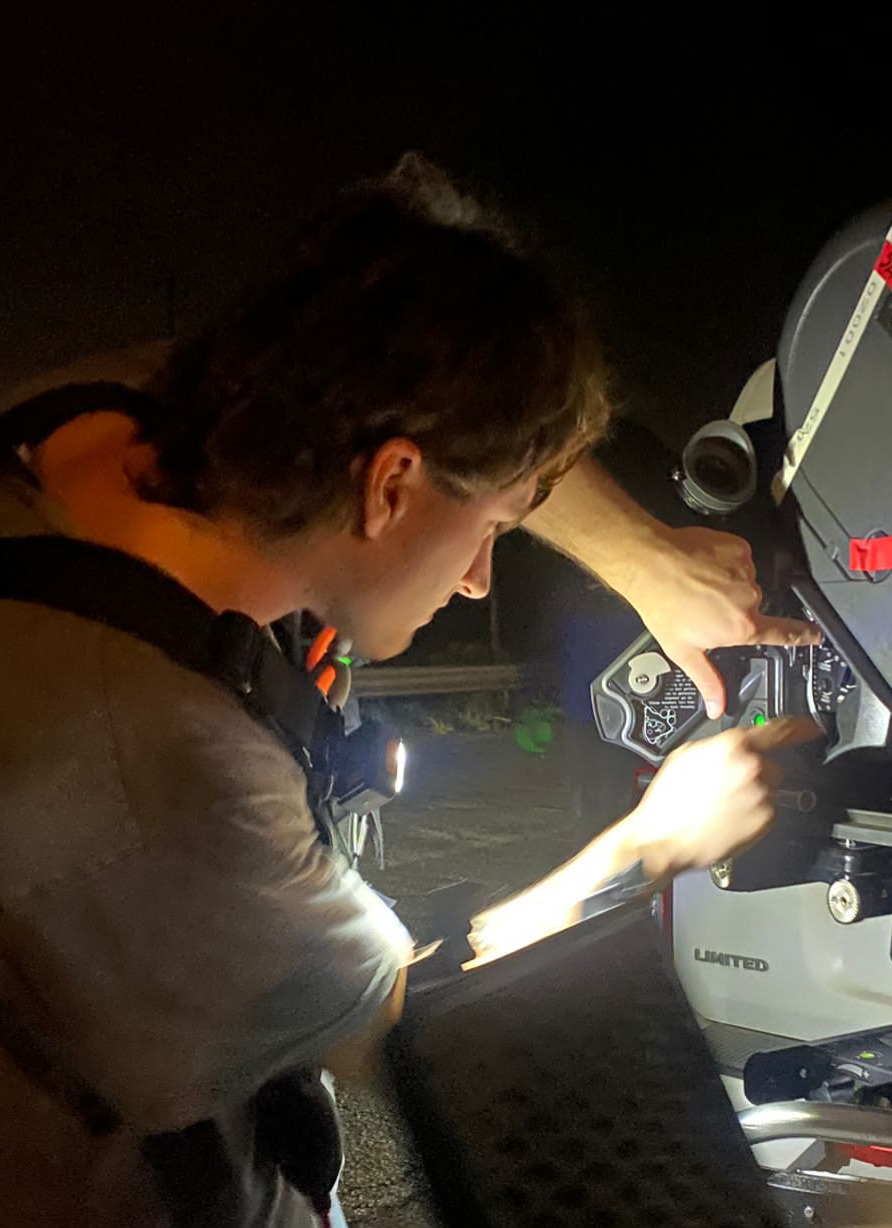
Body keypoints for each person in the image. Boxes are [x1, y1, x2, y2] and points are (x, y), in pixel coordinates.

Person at [0, 153, 819, 1225]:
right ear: (389, 484)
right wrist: (651, 839)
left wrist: (648, 564)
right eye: (492, 531)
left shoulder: (104, 417)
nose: (478, 577)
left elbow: (456, 410)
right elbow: (415, 1006)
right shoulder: (174, 769)